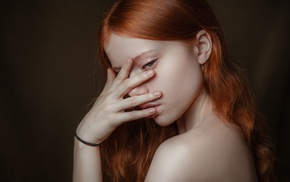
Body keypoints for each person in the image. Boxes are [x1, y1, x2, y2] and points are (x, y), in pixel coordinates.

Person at [73, 0, 275, 181]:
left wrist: (85, 142)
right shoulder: (225, 131)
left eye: (148, 64)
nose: (134, 91)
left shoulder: (180, 154)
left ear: (202, 47)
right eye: (122, 74)